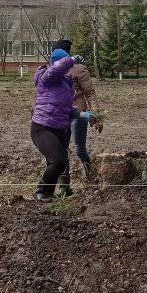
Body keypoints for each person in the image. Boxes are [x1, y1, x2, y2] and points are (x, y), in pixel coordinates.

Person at [31, 45, 94, 202]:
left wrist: (86, 115)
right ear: (58, 63)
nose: (69, 69)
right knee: (58, 161)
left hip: (59, 129)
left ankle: (48, 194)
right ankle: (41, 191)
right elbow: (55, 70)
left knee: (60, 162)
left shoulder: (67, 84)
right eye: (67, 65)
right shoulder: (46, 77)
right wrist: (70, 59)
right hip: (42, 128)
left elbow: (68, 109)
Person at [59, 45, 100, 194]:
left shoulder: (79, 69)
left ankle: (92, 177)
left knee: (79, 148)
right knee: (61, 149)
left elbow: (90, 93)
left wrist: (96, 115)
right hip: (61, 114)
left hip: (78, 114)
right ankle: (64, 186)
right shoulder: (55, 70)